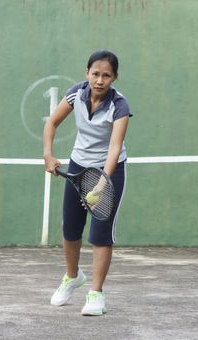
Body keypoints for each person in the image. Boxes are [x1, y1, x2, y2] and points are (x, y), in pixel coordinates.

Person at [43, 49, 132, 316]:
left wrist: (102, 184)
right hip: (78, 166)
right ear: (87, 73)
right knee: (70, 229)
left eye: (106, 75)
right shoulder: (75, 94)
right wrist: (48, 155)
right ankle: (72, 277)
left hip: (110, 171)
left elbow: (114, 148)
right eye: (95, 74)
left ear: (114, 77)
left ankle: (96, 294)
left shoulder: (120, 106)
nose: (100, 80)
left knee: (101, 234)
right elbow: (52, 124)